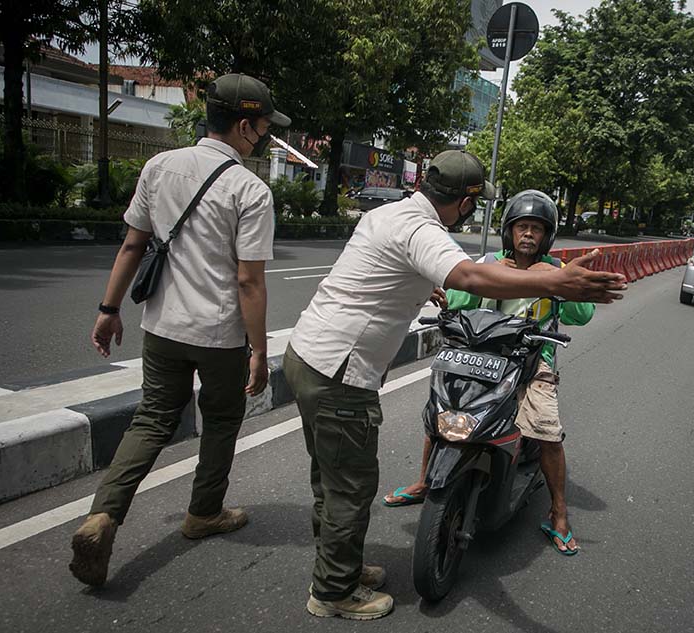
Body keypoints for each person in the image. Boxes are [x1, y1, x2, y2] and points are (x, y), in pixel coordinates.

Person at [284, 150, 626, 621]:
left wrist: (422, 285)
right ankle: (333, 591)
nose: (527, 234)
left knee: (330, 479)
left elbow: (387, 271)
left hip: (307, 355)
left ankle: (340, 565)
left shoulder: (388, 213)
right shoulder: (426, 232)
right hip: (341, 372)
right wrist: (559, 283)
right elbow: (466, 277)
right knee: (349, 487)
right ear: (466, 203)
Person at [69, 73, 290, 587]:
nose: (263, 135)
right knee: (220, 420)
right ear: (243, 126)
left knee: (150, 420)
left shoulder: (159, 166)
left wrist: (109, 308)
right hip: (219, 336)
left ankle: (103, 515)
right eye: (262, 126)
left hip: (162, 327)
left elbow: (131, 245)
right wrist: (259, 351)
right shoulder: (249, 189)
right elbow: (249, 282)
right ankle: (204, 511)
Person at [384, 189, 590, 556]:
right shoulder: (489, 261)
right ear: (509, 230)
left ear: (547, 236)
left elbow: (582, 315)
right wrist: (447, 291)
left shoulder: (556, 271)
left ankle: (558, 512)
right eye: (522, 227)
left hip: (532, 361)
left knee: (546, 429)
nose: (528, 235)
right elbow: (462, 298)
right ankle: (423, 482)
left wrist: (564, 286)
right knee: (443, 412)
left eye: (536, 229)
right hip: (482, 354)